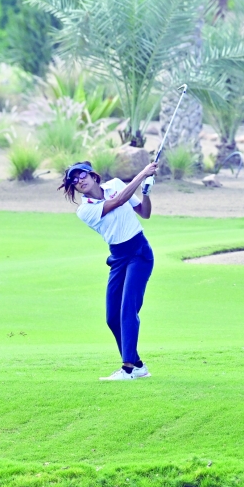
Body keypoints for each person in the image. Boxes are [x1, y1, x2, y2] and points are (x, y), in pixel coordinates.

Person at [60, 159, 159, 381]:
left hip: (139, 253)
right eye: (74, 181)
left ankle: (128, 369)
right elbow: (120, 200)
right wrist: (143, 172)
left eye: (82, 175)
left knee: (127, 309)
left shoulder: (115, 184)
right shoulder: (85, 210)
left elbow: (144, 213)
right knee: (112, 317)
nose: (79, 181)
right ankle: (139, 366)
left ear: (93, 175)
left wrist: (147, 192)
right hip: (118, 258)